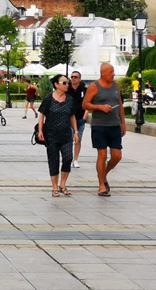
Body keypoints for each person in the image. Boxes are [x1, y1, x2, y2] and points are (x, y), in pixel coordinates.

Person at [82, 63, 125, 197]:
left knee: (117, 156)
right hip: (99, 125)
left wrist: (123, 122)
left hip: (114, 125)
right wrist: (100, 107)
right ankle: (102, 185)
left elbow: (119, 104)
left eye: (113, 71)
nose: (113, 74)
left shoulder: (116, 85)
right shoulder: (94, 86)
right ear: (103, 73)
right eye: (111, 72)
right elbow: (85, 104)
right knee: (102, 155)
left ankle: (103, 174)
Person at [37, 74, 79, 197]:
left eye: (68, 83)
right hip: (51, 135)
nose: (67, 85)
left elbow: (72, 116)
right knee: (53, 160)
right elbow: (42, 114)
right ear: (56, 84)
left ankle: (63, 184)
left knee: (68, 158)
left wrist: (76, 132)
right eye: (64, 83)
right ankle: (55, 186)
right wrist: (40, 130)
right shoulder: (49, 98)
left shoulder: (70, 99)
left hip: (66, 135)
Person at [68, 70, 88, 168]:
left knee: (78, 139)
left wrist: (84, 117)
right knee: (69, 139)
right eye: (72, 77)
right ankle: (68, 158)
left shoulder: (84, 90)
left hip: (80, 118)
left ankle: (75, 159)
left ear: (79, 79)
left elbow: (88, 104)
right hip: (69, 118)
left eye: (75, 77)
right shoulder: (67, 89)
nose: (73, 79)